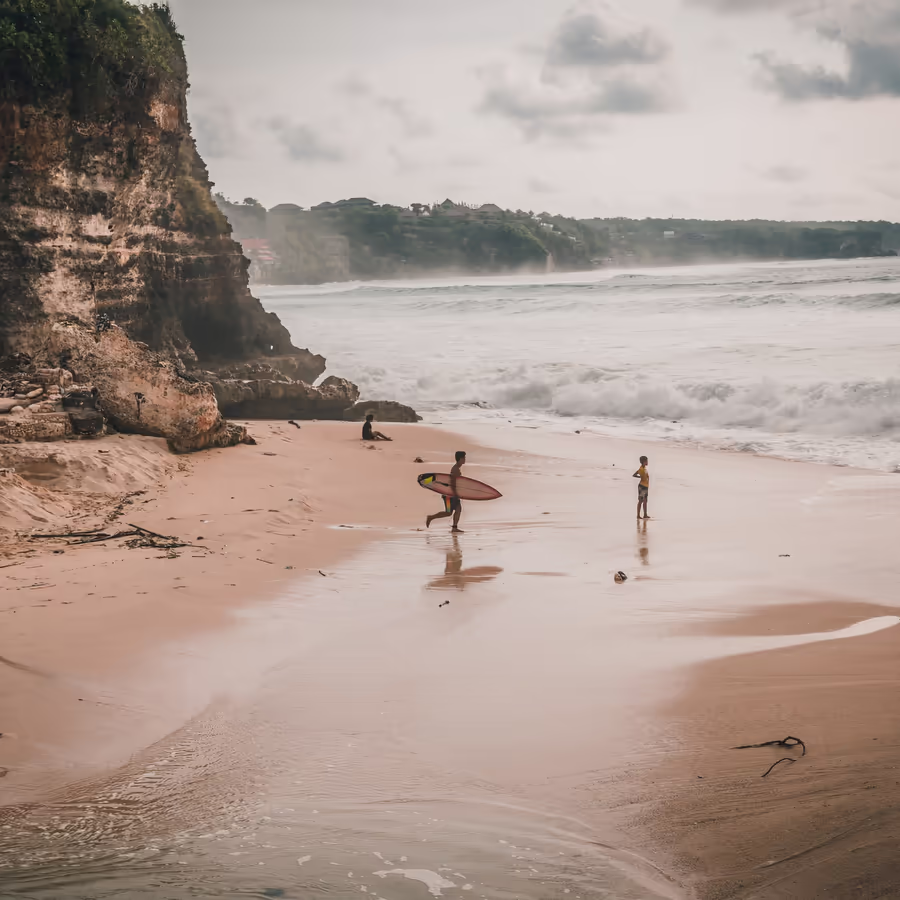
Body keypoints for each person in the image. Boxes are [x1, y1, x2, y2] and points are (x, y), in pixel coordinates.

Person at [426, 450, 466, 533]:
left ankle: (454, 528)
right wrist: (455, 494)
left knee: (457, 510)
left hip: (450, 494)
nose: (465, 459)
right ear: (460, 459)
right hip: (449, 495)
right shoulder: (455, 469)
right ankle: (430, 517)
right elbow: (452, 483)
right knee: (448, 512)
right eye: (464, 458)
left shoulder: (456, 468)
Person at [633, 455, 650, 519]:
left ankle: (645, 514)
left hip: (645, 486)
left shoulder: (644, 468)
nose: (647, 462)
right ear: (643, 461)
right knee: (641, 501)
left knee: (645, 501)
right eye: (646, 461)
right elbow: (634, 475)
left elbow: (634, 475)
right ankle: (638, 515)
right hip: (642, 486)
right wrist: (640, 477)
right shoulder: (641, 469)